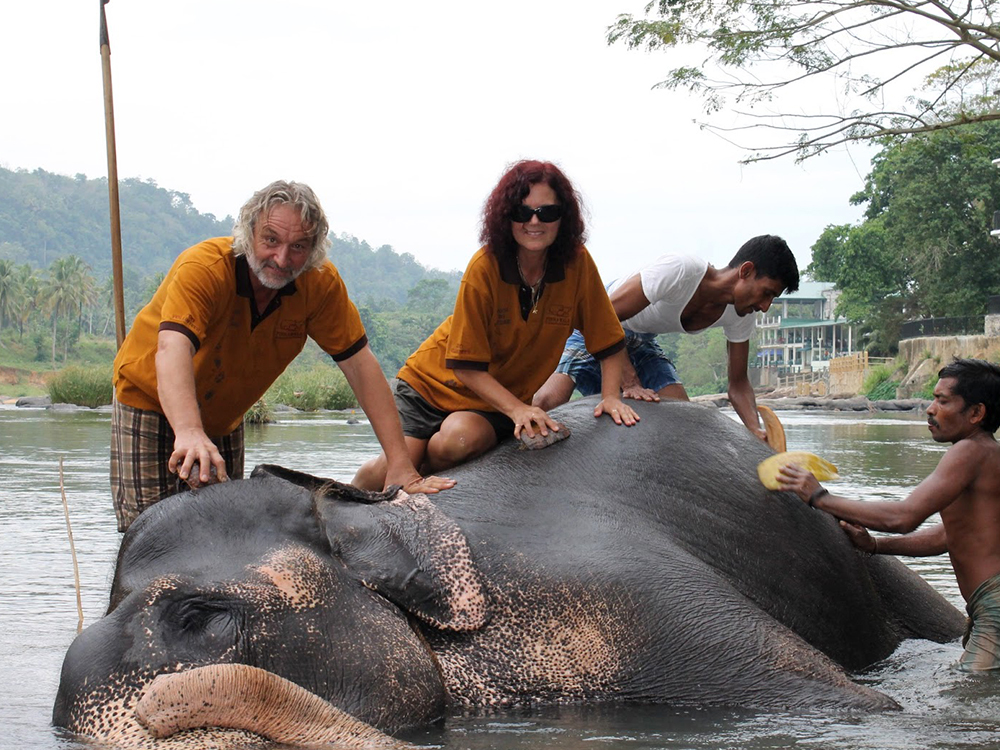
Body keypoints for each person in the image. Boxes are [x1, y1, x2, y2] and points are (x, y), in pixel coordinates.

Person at [110, 180, 452, 532]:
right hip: (149, 400)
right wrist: (189, 431)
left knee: (223, 532)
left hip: (223, 416)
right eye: (270, 240)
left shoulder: (319, 284)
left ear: (314, 250)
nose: (282, 258)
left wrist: (400, 464)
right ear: (248, 233)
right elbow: (173, 348)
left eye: (298, 246)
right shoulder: (205, 267)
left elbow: (361, 367)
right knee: (150, 533)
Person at [352, 160, 639, 490]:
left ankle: (418, 464)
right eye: (522, 212)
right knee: (390, 471)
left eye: (547, 212)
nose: (534, 222)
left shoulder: (577, 264)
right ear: (506, 216)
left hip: (491, 399)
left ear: (564, 218)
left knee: (458, 442)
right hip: (430, 385)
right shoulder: (485, 267)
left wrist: (610, 396)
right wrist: (518, 410)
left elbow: (608, 339)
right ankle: (349, 490)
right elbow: (464, 366)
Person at [777, 358, 1000, 671]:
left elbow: (904, 517)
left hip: (994, 606)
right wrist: (875, 545)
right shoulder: (987, 454)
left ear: (976, 413)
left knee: (971, 698)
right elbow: (947, 536)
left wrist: (820, 497)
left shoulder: (970, 451)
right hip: (985, 606)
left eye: (943, 401)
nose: (930, 409)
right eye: (933, 399)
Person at [532, 236, 800, 440]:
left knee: (683, 416)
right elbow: (603, 318)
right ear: (746, 271)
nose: (765, 306)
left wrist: (755, 431)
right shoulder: (682, 270)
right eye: (767, 293)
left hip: (643, 341)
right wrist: (630, 381)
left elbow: (739, 384)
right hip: (599, 322)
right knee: (547, 401)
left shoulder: (742, 314)